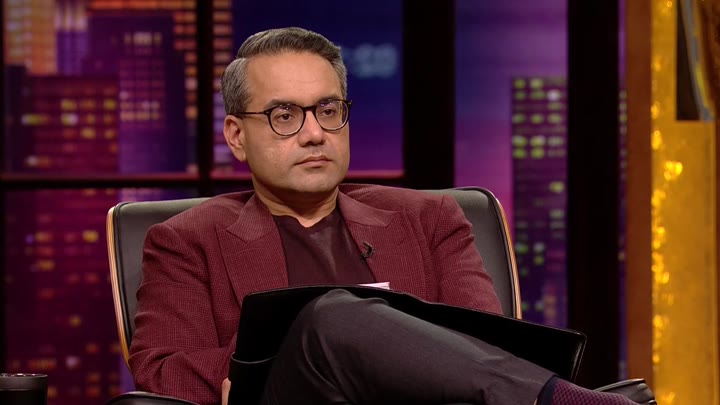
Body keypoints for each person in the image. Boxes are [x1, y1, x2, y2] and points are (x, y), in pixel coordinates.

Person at [129, 27, 647, 405]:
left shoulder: (428, 218)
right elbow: (162, 372)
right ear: (237, 136)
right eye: (284, 116)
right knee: (332, 314)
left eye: (328, 110)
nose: (315, 133)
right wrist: (305, 348)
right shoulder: (187, 240)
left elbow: (489, 348)